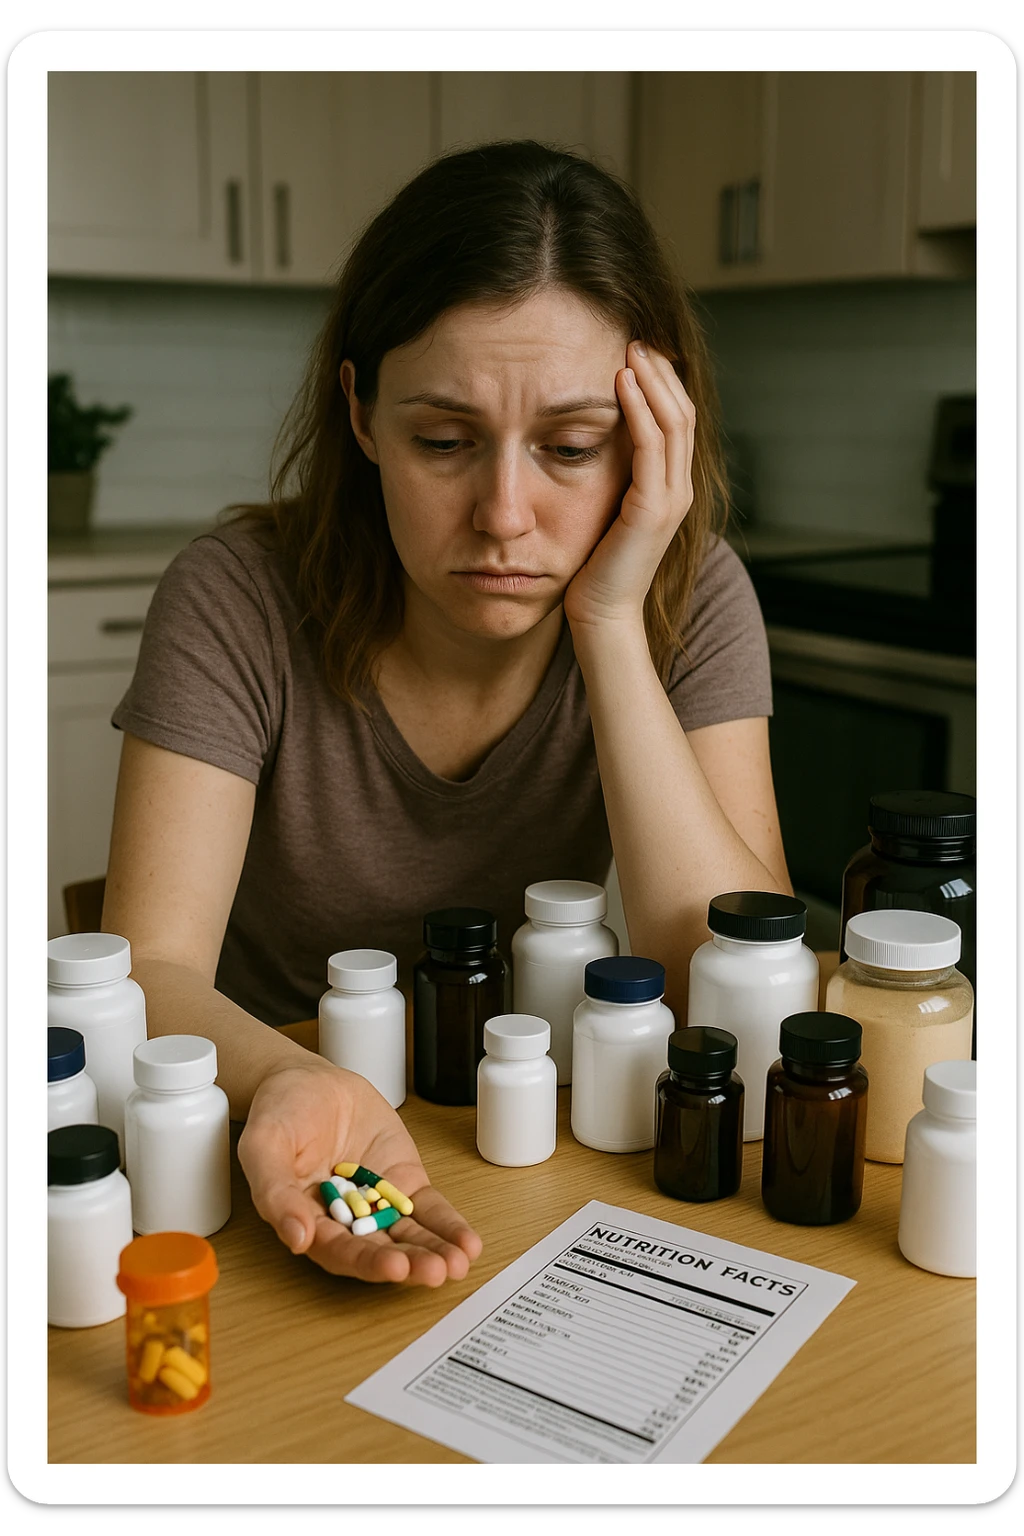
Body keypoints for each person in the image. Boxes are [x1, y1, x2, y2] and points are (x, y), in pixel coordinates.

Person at [102, 139, 792, 1287]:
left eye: (572, 448)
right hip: (279, 1122)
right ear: (361, 412)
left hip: (551, 1139)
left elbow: (726, 967)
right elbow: (149, 964)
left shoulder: (688, 592)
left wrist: (611, 625)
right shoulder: (236, 594)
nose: (505, 516)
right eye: (442, 442)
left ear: (650, 439)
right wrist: (291, 1078)